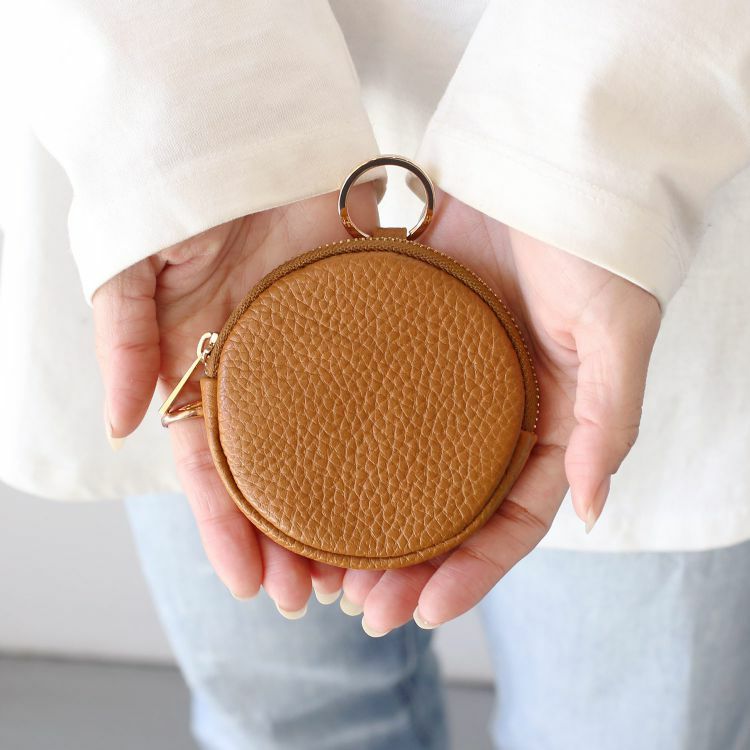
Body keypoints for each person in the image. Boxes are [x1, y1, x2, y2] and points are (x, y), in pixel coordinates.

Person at [2, 2, 749, 748]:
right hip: (182, 164)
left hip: (621, 169)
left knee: (621, 724)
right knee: (285, 717)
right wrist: (201, 140)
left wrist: (580, 171)